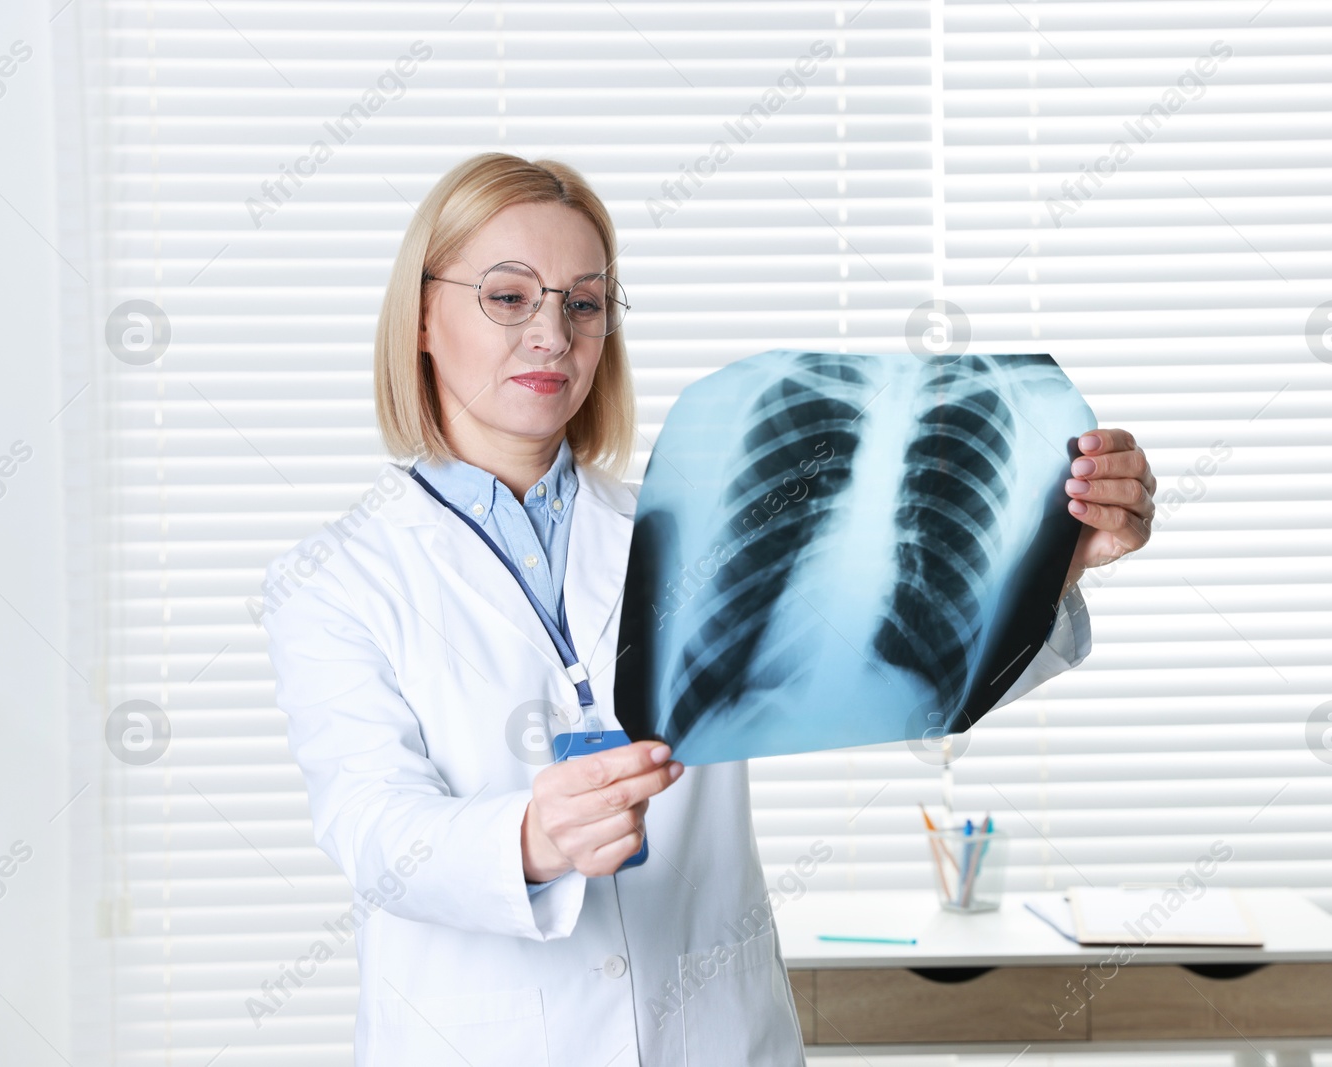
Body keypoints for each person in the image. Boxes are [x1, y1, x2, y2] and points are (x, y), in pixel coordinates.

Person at [261, 151, 1155, 1067]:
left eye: (583, 302)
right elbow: (371, 824)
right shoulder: (339, 578)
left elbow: (905, 670)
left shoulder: (697, 521)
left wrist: (1053, 562)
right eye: (507, 295)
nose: (551, 334)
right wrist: (527, 838)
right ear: (421, 313)